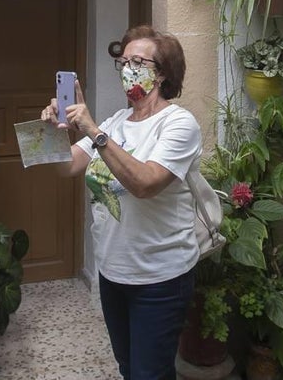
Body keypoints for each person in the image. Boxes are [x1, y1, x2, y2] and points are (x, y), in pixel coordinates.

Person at [40, 25, 202, 380]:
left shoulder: (178, 124)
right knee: (130, 368)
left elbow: (145, 184)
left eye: (138, 61)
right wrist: (55, 131)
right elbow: (67, 167)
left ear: (161, 73)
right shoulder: (116, 121)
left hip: (160, 277)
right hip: (114, 272)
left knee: (151, 374)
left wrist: (94, 131)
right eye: (124, 61)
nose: (128, 68)